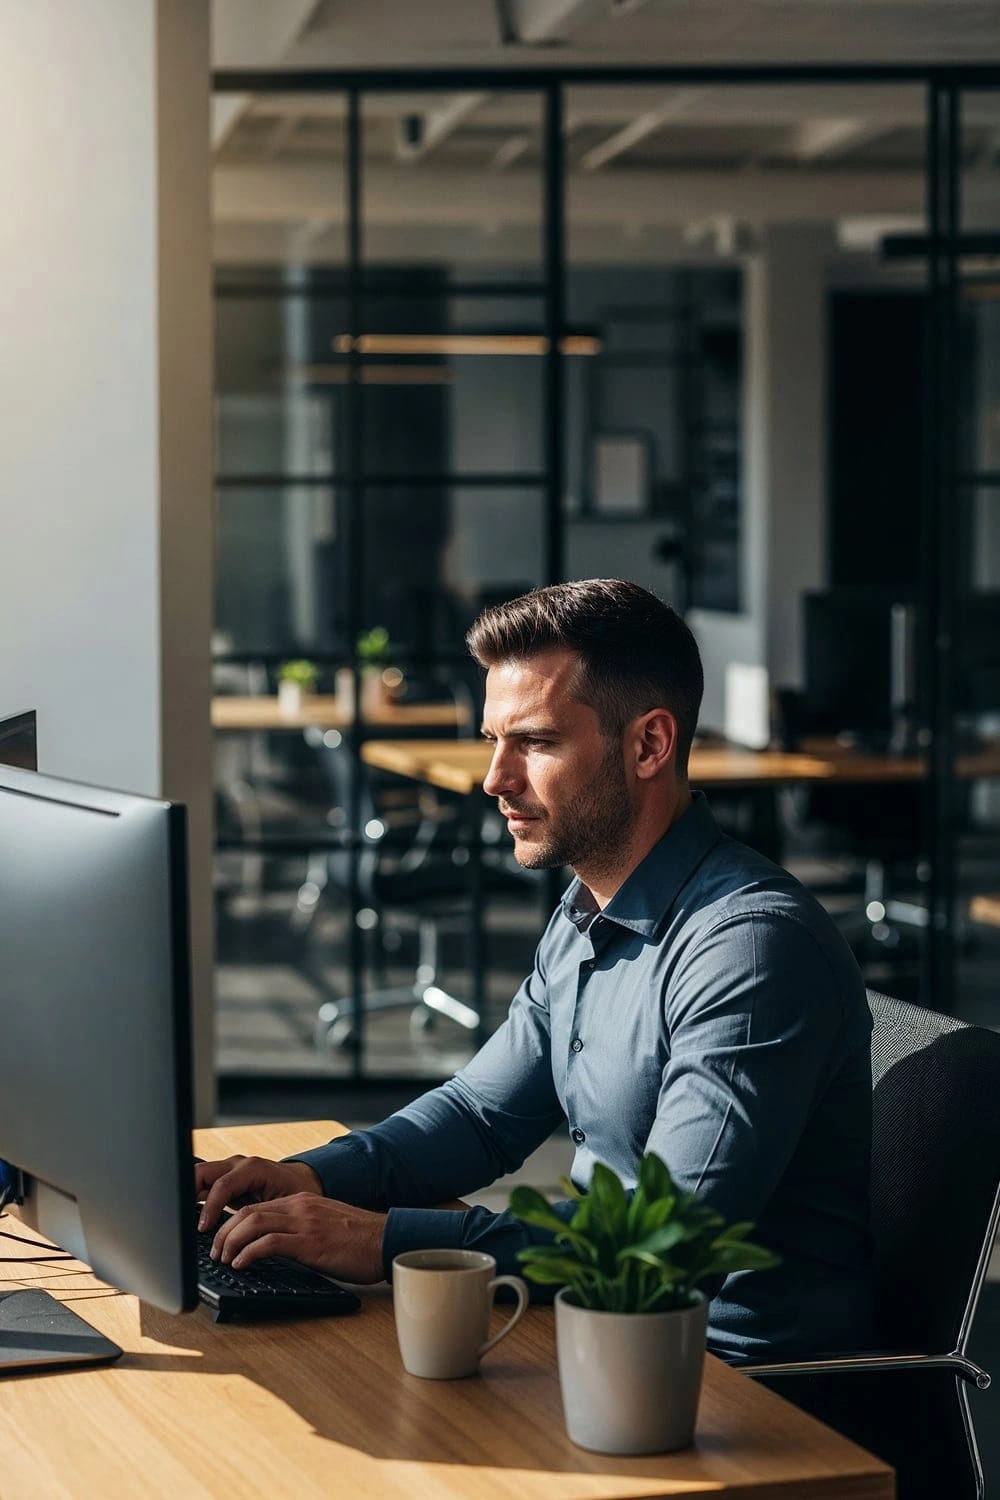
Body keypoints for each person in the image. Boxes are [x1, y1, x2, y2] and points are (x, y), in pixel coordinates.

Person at [198, 579, 874, 1362]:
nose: (495, 779)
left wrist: (381, 1240)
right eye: (493, 739)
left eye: (537, 743)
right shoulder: (588, 905)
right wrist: (309, 1181)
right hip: (591, 1333)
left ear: (649, 745)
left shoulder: (749, 951)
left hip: (725, 1388)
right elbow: (482, 1116)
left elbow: (664, 1249)